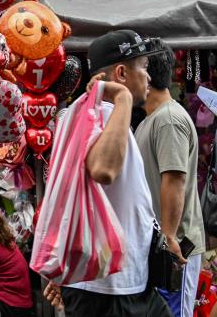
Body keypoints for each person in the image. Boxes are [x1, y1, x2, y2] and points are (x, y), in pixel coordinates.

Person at [43, 30, 172, 316]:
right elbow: (103, 170)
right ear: (122, 73)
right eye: (144, 68)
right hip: (109, 291)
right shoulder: (100, 112)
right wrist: (124, 99)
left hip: (121, 283)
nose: (149, 78)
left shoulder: (93, 114)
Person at [135, 43, 205, 317]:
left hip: (174, 252)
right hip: (158, 250)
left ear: (147, 77)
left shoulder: (169, 120)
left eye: (133, 69)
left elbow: (174, 179)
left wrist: (169, 237)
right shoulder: (149, 121)